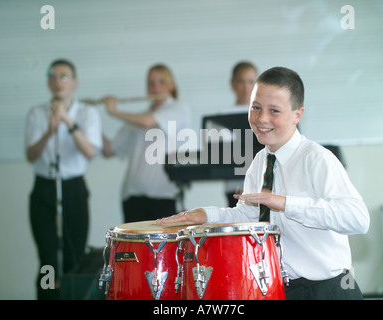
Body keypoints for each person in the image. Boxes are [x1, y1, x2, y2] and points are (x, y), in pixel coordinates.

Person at [157, 66, 370, 300]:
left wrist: (285, 203)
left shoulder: (317, 158)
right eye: (255, 108)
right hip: (283, 289)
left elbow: (358, 219)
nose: (261, 119)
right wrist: (206, 216)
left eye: (274, 111)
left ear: (297, 115)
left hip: (327, 291)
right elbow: (248, 217)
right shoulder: (260, 161)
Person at [25, 59, 102, 299]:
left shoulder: (87, 113)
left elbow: (90, 151)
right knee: (48, 256)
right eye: (53, 76)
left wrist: (67, 121)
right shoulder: (36, 113)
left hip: (73, 187)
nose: (58, 82)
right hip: (44, 187)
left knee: (74, 254)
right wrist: (49, 130)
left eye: (64, 76)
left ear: (74, 82)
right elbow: (31, 154)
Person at [102, 64, 190, 223]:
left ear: (171, 84)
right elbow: (109, 150)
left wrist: (113, 111)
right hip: (132, 197)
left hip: (164, 196)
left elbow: (147, 122)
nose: (155, 87)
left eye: (161, 82)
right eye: (151, 83)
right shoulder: (137, 117)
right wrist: (87, 124)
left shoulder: (179, 108)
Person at [223, 61, 257, 207]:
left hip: (262, 188)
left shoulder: (264, 114)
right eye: (241, 82)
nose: (246, 87)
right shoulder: (223, 117)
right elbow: (221, 154)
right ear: (232, 84)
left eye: (251, 82)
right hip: (235, 187)